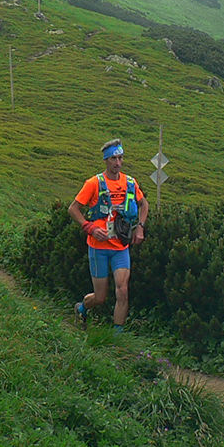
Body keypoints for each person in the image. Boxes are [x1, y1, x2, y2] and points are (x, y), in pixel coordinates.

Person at [68, 138, 148, 333]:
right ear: (106, 160)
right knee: (100, 297)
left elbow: (143, 204)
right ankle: (82, 308)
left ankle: (117, 335)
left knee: (123, 291)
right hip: (99, 248)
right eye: (113, 158)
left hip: (121, 247)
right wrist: (89, 227)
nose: (117, 162)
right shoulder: (93, 183)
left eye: (120, 158)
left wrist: (140, 227)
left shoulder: (130, 182)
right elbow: (73, 209)